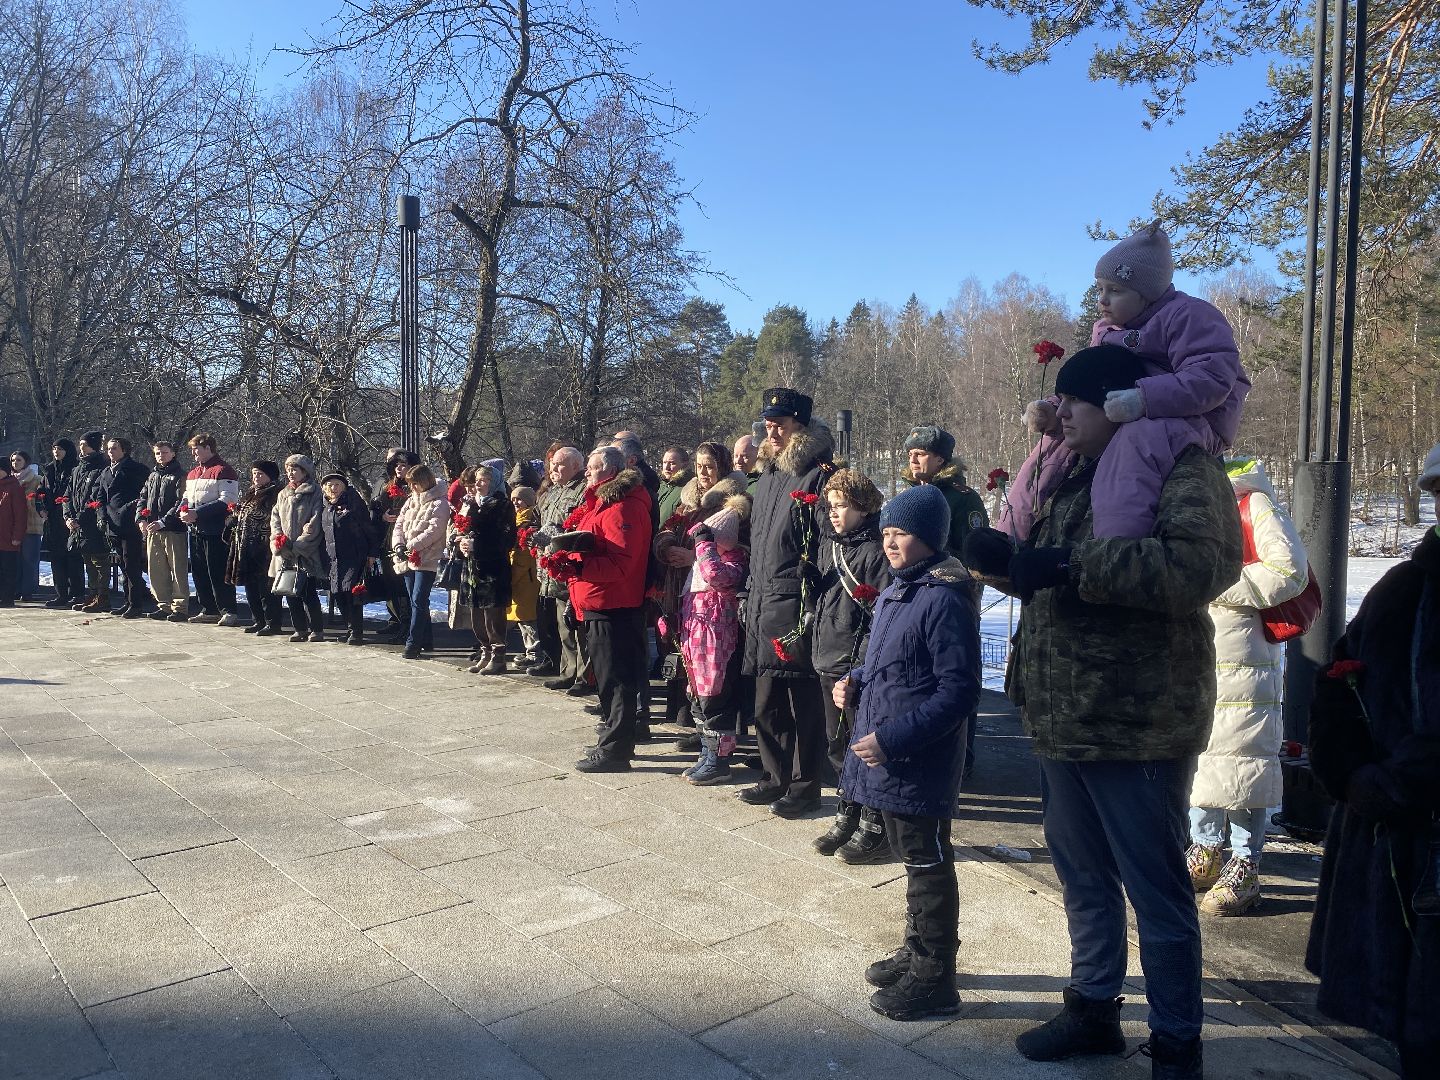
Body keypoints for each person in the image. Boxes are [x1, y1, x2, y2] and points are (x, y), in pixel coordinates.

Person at [963, 343, 1241, 1080]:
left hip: (1137, 717)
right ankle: (1093, 1008)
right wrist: (1007, 560)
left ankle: (1178, 1043)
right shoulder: (1076, 474)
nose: (1060, 419)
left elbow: (1200, 567)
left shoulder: (1185, 464)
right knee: (1082, 876)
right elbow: (1054, 575)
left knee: (1156, 888)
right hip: (1062, 712)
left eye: (1073, 406)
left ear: (1119, 403)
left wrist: (1068, 565)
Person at [1304, 442, 1440, 1080]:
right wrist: (1353, 773)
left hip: (1415, 818)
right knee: (1414, 1024)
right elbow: (1339, 676)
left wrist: (1408, 776)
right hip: (1398, 842)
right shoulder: (1405, 586)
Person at [1001, 222, 1251, 541]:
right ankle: (1011, 537)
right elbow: (1090, 381)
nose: (1103, 300)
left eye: (1115, 290)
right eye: (1100, 289)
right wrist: (1056, 407)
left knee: (1138, 441)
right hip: (1131, 408)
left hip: (1196, 418)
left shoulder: (1188, 317)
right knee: (1054, 445)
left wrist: (1142, 399)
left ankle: (1115, 545)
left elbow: (1212, 378)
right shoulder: (1107, 331)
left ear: (1147, 293)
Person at [835, 482, 981, 1021]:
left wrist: (894, 739)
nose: (890, 543)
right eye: (887, 533)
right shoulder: (903, 588)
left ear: (930, 539)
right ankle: (916, 948)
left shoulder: (943, 596)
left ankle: (934, 975)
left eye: (901, 535)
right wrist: (852, 680)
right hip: (890, 756)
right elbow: (890, 663)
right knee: (909, 854)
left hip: (917, 758)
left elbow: (958, 691)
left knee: (927, 862)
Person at [1187, 455, 1310, 916]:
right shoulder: (1190, 498)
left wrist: (1214, 587)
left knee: (1244, 758)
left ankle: (1245, 862)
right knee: (1203, 758)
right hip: (1200, 646)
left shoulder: (1252, 500)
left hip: (1244, 653)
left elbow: (1288, 570)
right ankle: (1204, 848)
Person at [740, 387, 834, 818]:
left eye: (780, 421)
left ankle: (805, 785)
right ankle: (773, 775)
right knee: (766, 701)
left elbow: (824, 547)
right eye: (768, 421)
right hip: (762, 601)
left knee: (803, 703)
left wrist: (812, 602)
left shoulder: (818, 473)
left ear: (800, 424)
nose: (770, 428)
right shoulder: (770, 475)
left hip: (795, 605)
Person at [546, 445, 652, 772]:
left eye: (591, 468)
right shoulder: (603, 504)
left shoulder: (623, 508)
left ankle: (616, 751)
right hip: (596, 602)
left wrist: (576, 568)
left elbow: (622, 564)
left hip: (613, 605)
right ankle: (612, 738)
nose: (587, 473)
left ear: (609, 470)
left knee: (617, 680)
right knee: (607, 678)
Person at [653, 441, 752, 782]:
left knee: (715, 690)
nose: (703, 472)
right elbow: (666, 531)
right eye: (698, 465)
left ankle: (719, 751)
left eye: (710, 465)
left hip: (714, 610)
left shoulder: (734, 503)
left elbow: (729, 555)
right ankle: (706, 746)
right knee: (694, 684)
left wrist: (696, 552)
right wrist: (669, 548)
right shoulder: (686, 499)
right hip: (685, 597)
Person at [810, 467, 892, 863]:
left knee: (862, 745)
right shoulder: (830, 545)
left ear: (862, 506)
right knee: (835, 742)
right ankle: (848, 810)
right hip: (827, 654)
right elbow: (823, 605)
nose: (834, 514)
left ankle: (874, 822)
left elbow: (881, 613)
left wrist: (862, 665)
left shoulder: (876, 551)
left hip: (854, 662)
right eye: (829, 507)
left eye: (841, 506)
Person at [899, 425, 988, 782]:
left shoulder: (963, 498)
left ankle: (960, 756)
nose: (913, 457)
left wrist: (964, 596)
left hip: (950, 598)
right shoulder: (908, 494)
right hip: (910, 599)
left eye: (920, 452)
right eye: (910, 452)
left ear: (941, 458)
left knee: (954, 677)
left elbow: (976, 553)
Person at [533, 447, 588, 691]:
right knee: (562, 625)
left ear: (576, 466)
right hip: (552, 567)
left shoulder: (582, 491)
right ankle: (568, 671)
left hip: (571, 565)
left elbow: (578, 527)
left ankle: (585, 677)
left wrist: (555, 536)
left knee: (579, 626)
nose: (554, 469)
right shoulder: (553, 491)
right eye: (553, 464)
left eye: (560, 465)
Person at [454, 462, 516, 674]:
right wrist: (460, 542)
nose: (478, 484)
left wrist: (477, 545)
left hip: (493, 568)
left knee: (493, 615)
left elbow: (506, 539)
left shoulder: (503, 505)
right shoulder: (469, 504)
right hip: (472, 568)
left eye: (484, 480)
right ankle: (485, 651)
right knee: (476, 616)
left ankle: (498, 656)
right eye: (477, 480)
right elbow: (458, 530)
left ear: (494, 482)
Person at [177, 434, 241, 624]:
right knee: (199, 571)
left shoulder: (224, 470)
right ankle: (209, 609)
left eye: (196, 448)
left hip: (216, 530)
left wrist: (198, 513)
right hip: (195, 529)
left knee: (218, 571)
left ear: (208, 448)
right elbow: (186, 497)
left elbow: (228, 500)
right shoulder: (193, 473)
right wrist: (183, 511)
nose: (193, 453)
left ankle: (228, 610)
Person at [391, 464, 450, 659]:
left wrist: (411, 545)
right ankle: (426, 638)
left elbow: (434, 530)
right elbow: (399, 524)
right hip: (407, 556)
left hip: (427, 556)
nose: (413, 488)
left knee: (418, 599)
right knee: (415, 600)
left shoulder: (440, 503)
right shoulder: (410, 501)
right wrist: (398, 544)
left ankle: (413, 642)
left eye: (415, 484)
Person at [269, 455, 326, 643]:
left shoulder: (315, 492)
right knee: (289, 592)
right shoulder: (283, 493)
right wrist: (279, 542)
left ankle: (316, 629)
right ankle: (299, 628)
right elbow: (275, 519)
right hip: (285, 552)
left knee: (308, 592)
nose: (291, 473)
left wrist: (299, 545)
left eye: (295, 469)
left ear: (305, 471)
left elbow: (315, 522)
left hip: (305, 553)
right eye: (288, 469)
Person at [224, 461, 283, 635]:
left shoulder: (275, 493)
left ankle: (273, 623)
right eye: (254, 473)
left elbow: (271, 517)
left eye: (260, 474)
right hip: (244, 546)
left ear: (270, 476)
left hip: (263, 547)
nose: (256, 477)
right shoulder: (251, 492)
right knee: (250, 586)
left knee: (266, 588)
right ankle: (258, 620)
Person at [320, 472, 375, 646]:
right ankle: (350, 628)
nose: (333, 488)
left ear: (343, 487)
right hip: (333, 558)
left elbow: (368, 528)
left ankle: (357, 632)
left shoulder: (353, 503)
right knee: (337, 594)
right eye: (329, 485)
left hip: (354, 555)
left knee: (351, 592)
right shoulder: (326, 506)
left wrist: (372, 553)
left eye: (336, 485)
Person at [370, 449, 418, 641]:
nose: (399, 468)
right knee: (391, 583)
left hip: (407, 540)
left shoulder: (416, 487)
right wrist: (383, 517)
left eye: (403, 465)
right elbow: (376, 508)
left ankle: (409, 627)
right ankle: (399, 621)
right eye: (396, 465)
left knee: (404, 585)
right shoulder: (388, 485)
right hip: (387, 540)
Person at [139, 441, 189, 621]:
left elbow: (181, 502)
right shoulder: (152, 475)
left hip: (173, 529)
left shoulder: (180, 476)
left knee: (177, 569)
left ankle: (180, 607)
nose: (161, 456)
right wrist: (141, 519)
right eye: (158, 453)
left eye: (165, 452)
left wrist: (163, 521)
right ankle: (163, 605)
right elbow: (142, 497)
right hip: (153, 529)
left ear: (173, 453)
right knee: (156, 569)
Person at [65, 432, 113, 613]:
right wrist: (68, 516)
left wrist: (79, 518)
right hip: (77, 524)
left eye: (85, 444)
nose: (81, 448)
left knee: (99, 559)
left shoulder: (101, 467)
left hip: (92, 523)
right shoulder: (78, 469)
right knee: (87, 560)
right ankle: (92, 594)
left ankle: (103, 597)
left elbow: (95, 497)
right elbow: (67, 495)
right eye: (80, 444)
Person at [41, 439, 83, 608]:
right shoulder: (50, 469)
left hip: (69, 519)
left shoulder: (75, 468)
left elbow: (75, 493)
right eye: (54, 448)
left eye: (60, 449)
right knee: (56, 559)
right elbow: (42, 490)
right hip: (52, 520)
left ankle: (77, 594)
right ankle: (61, 594)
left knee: (73, 558)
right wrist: (41, 507)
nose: (56, 452)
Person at [508, 486, 545, 671]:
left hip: (526, 577)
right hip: (523, 575)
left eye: (519, 499)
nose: (515, 502)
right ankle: (530, 650)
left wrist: (512, 575)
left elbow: (522, 555)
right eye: (513, 499)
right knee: (523, 617)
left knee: (527, 617)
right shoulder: (517, 519)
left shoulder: (527, 521)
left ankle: (534, 653)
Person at [9, 451, 43, 601]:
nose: (15, 463)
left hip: (31, 524)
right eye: (13, 460)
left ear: (26, 461)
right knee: (14, 559)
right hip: (13, 525)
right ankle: (16, 589)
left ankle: (28, 591)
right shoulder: (8, 480)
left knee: (29, 559)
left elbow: (40, 501)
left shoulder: (36, 479)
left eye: (19, 460)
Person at [0, 458, 24, 606]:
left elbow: (20, 514)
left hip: (8, 537)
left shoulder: (14, 487)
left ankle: (8, 598)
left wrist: (17, 535)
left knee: (8, 569)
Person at [656, 445, 693, 524]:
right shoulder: (661, 486)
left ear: (685, 465)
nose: (667, 467)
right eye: (664, 462)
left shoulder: (690, 488)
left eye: (672, 463)